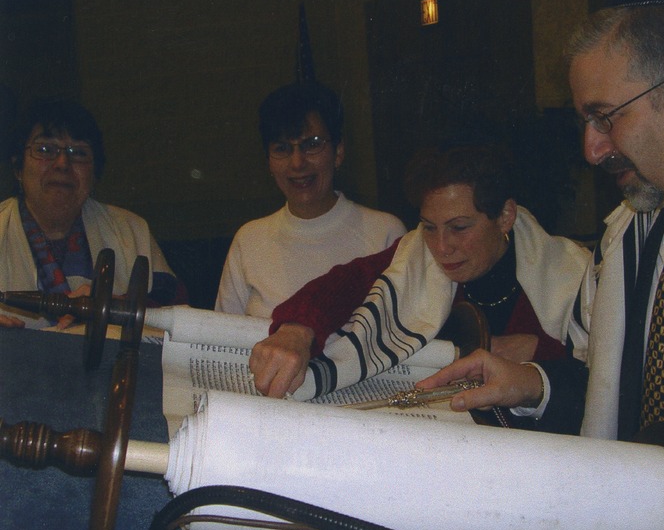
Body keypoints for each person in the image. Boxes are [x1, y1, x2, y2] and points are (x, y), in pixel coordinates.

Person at [418, 0, 664, 530]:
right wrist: (532, 383)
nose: (592, 149)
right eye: (585, 121)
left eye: (606, 117)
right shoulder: (631, 232)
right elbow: (605, 389)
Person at [248, 143, 591, 433]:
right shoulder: (415, 255)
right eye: (429, 227)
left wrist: (540, 352)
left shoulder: (572, 272)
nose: (441, 247)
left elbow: (600, 380)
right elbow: (344, 283)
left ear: (505, 216)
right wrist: (295, 330)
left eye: (459, 228)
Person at [214, 81, 406, 319]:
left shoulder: (385, 233)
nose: (297, 163)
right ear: (268, 162)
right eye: (282, 148)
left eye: (312, 145)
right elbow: (224, 341)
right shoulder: (249, 240)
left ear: (338, 152)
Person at [0, 99, 185, 329]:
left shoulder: (131, 230)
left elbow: (178, 316)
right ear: (18, 166)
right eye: (45, 150)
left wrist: (117, 307)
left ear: (94, 173)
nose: (62, 164)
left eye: (78, 153)